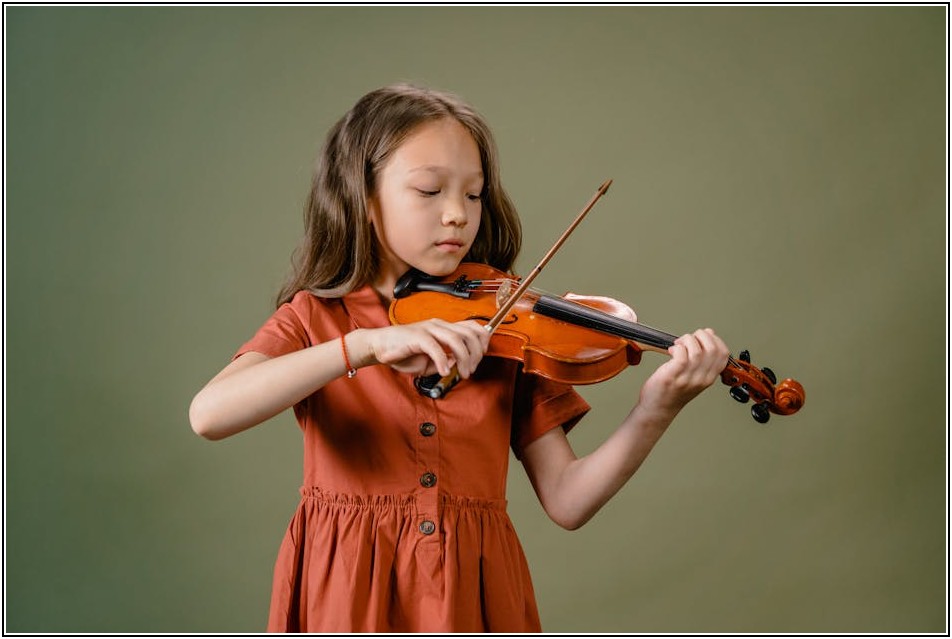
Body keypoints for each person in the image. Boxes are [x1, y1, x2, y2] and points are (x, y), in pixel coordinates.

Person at [189, 83, 729, 633]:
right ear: (362, 196)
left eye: (473, 195)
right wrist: (366, 347)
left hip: (474, 594)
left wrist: (656, 409)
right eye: (429, 190)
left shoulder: (504, 324)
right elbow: (210, 414)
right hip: (348, 592)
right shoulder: (316, 317)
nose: (457, 215)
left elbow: (569, 501)